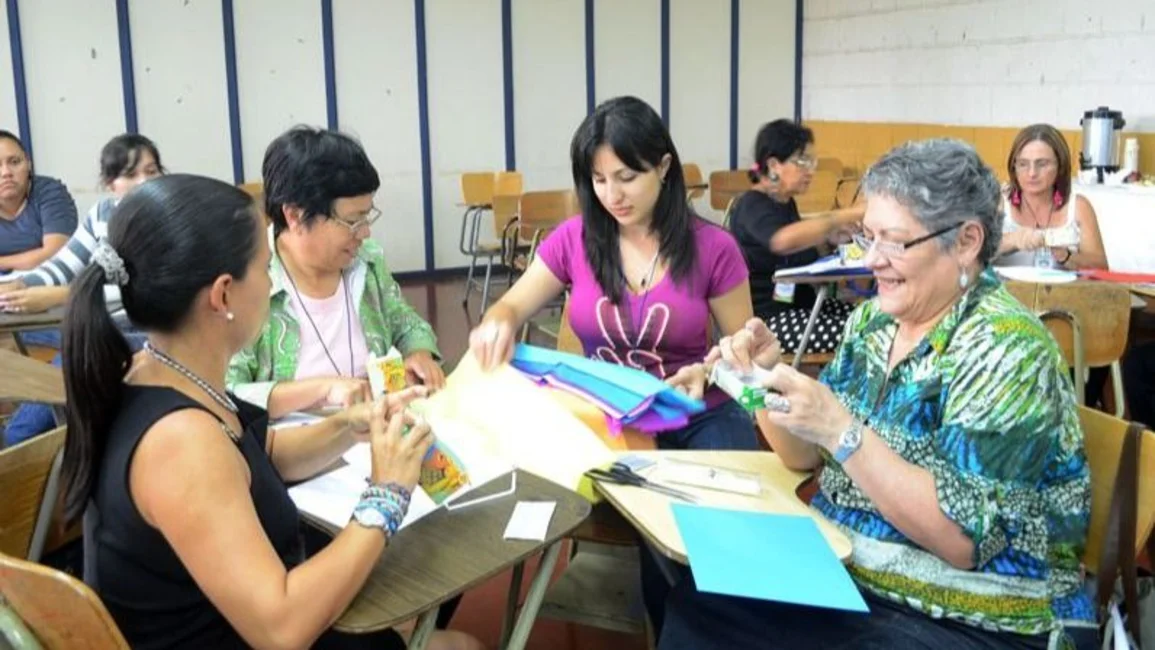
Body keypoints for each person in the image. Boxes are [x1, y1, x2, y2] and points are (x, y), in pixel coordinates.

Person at [660, 140, 1097, 650]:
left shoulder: (1006, 348)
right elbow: (806, 456)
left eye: (894, 242)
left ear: (966, 242)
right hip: (858, 573)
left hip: (976, 614)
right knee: (700, 606)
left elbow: (962, 542)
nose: (871, 260)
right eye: (869, 237)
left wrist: (842, 429)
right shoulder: (873, 322)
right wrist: (763, 379)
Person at [61, 174, 480, 650]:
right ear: (222, 295)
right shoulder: (180, 442)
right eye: (264, 268)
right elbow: (282, 630)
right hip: (256, 631)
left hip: (235, 618)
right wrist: (387, 494)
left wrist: (348, 426)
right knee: (460, 642)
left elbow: (258, 454)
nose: (271, 281)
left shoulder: (153, 372)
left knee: (418, 597)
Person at [468, 96, 758, 452]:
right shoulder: (573, 240)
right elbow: (509, 308)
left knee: (729, 497)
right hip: (608, 414)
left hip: (696, 415)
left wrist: (709, 373)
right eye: (599, 179)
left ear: (664, 166)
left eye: (627, 177)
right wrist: (498, 323)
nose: (612, 195)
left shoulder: (714, 248)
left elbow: (746, 354)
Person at [227, 127, 445, 420]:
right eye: (353, 220)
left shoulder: (366, 262)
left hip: (375, 432)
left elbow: (405, 323)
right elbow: (228, 391)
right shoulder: (249, 279)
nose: (365, 233)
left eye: (367, 216)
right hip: (294, 449)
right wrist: (323, 389)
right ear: (295, 215)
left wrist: (418, 353)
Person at [1, 134, 165, 448]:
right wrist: (18, 285)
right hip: (96, 328)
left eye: (152, 170)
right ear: (110, 184)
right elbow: (63, 264)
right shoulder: (103, 214)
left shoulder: (169, 217)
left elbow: (146, 289)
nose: (144, 182)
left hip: (145, 336)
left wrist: (61, 295)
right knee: (24, 422)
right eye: (130, 175)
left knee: (66, 374)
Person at [728, 119, 863, 354]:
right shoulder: (751, 205)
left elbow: (797, 255)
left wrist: (830, 241)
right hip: (770, 322)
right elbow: (781, 241)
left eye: (812, 162)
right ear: (773, 165)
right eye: (802, 161)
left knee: (870, 318)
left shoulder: (785, 203)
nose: (810, 170)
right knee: (859, 333)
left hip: (802, 306)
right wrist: (844, 215)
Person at [995, 123, 1107, 270]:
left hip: (1064, 292)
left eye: (1042, 164)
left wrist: (1066, 256)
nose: (1032, 173)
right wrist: (1012, 240)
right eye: (1023, 164)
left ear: (1060, 166)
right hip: (1006, 292)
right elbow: (966, 257)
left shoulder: (1079, 207)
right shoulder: (997, 202)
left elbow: (1101, 268)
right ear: (1013, 166)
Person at [0, 130, 77, 274]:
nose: (6, 173)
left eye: (15, 162)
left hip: (51, 283)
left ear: (28, 164)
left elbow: (55, 253)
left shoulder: (49, 191)